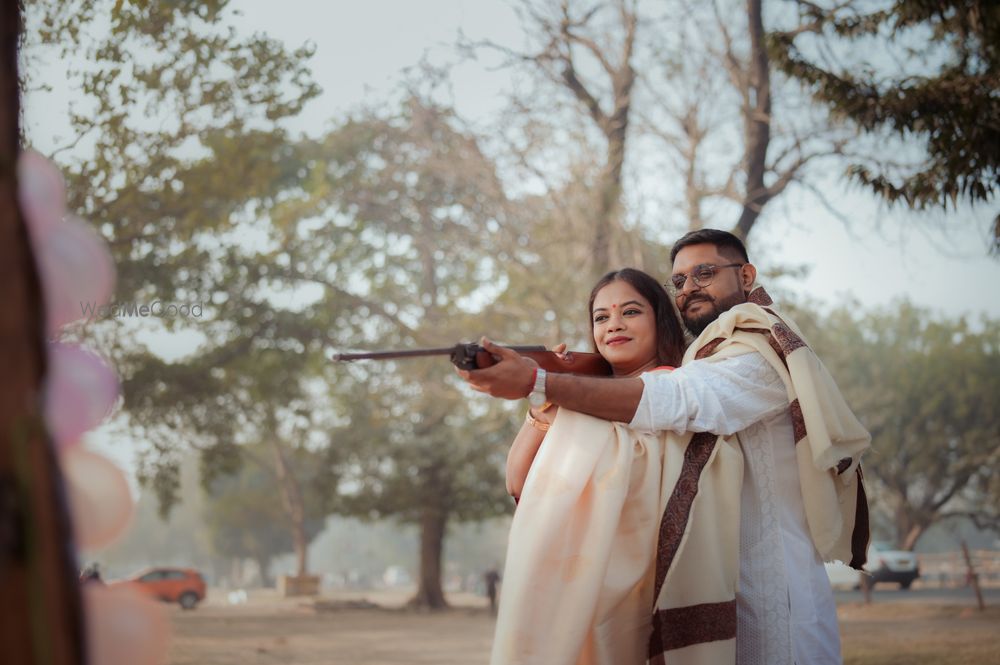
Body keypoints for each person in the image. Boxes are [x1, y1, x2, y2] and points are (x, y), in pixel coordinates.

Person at [461, 229, 871, 665]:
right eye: (679, 281)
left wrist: (541, 381)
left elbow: (675, 400)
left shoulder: (756, 357)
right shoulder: (705, 362)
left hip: (775, 605)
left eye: (705, 273)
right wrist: (548, 398)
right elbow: (522, 483)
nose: (690, 287)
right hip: (685, 593)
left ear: (746, 275)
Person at [505, 268, 686, 502]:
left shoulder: (673, 388)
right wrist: (547, 395)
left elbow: (618, 485)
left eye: (630, 312)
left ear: (661, 321)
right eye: (601, 318)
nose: (614, 325)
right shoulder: (577, 398)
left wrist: (553, 390)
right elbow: (516, 483)